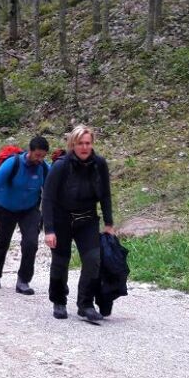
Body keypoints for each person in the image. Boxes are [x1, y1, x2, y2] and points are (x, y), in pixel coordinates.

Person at [42, 125, 116, 323]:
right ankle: (59, 301)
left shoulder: (99, 164)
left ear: (92, 144)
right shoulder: (61, 166)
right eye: (80, 143)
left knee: (93, 260)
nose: (84, 147)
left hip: (87, 219)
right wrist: (49, 229)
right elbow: (48, 198)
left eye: (88, 143)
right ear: (72, 144)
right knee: (61, 262)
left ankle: (86, 304)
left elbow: (105, 194)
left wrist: (109, 223)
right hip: (62, 220)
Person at [0, 136, 50, 295]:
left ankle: (23, 280)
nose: (40, 159)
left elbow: (50, 191)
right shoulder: (12, 164)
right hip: (6, 208)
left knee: (31, 243)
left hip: (29, 210)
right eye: (37, 155)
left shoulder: (43, 168)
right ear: (30, 151)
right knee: (3, 241)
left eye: (43, 156)